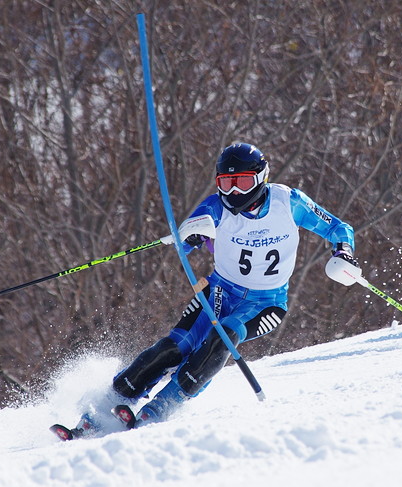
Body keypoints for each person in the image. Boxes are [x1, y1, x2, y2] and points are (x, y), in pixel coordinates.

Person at [69, 142, 361, 436]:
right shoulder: (216, 206)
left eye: (244, 182)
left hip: (266, 303)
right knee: (175, 347)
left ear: (262, 177)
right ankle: (104, 407)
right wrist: (189, 237)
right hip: (219, 291)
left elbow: (338, 228)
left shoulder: (289, 202)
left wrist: (344, 252)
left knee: (223, 338)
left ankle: (160, 408)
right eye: (227, 183)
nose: (235, 192)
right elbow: (189, 237)